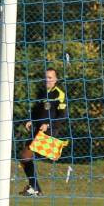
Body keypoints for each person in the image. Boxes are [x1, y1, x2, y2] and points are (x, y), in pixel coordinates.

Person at [18, 67, 68, 196]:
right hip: (38, 132)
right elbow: (36, 111)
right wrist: (30, 120)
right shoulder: (41, 93)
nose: (47, 80)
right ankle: (35, 188)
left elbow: (63, 116)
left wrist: (48, 125)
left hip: (49, 133)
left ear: (56, 79)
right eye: (46, 77)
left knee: (25, 156)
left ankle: (35, 187)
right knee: (24, 157)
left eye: (50, 77)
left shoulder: (59, 94)